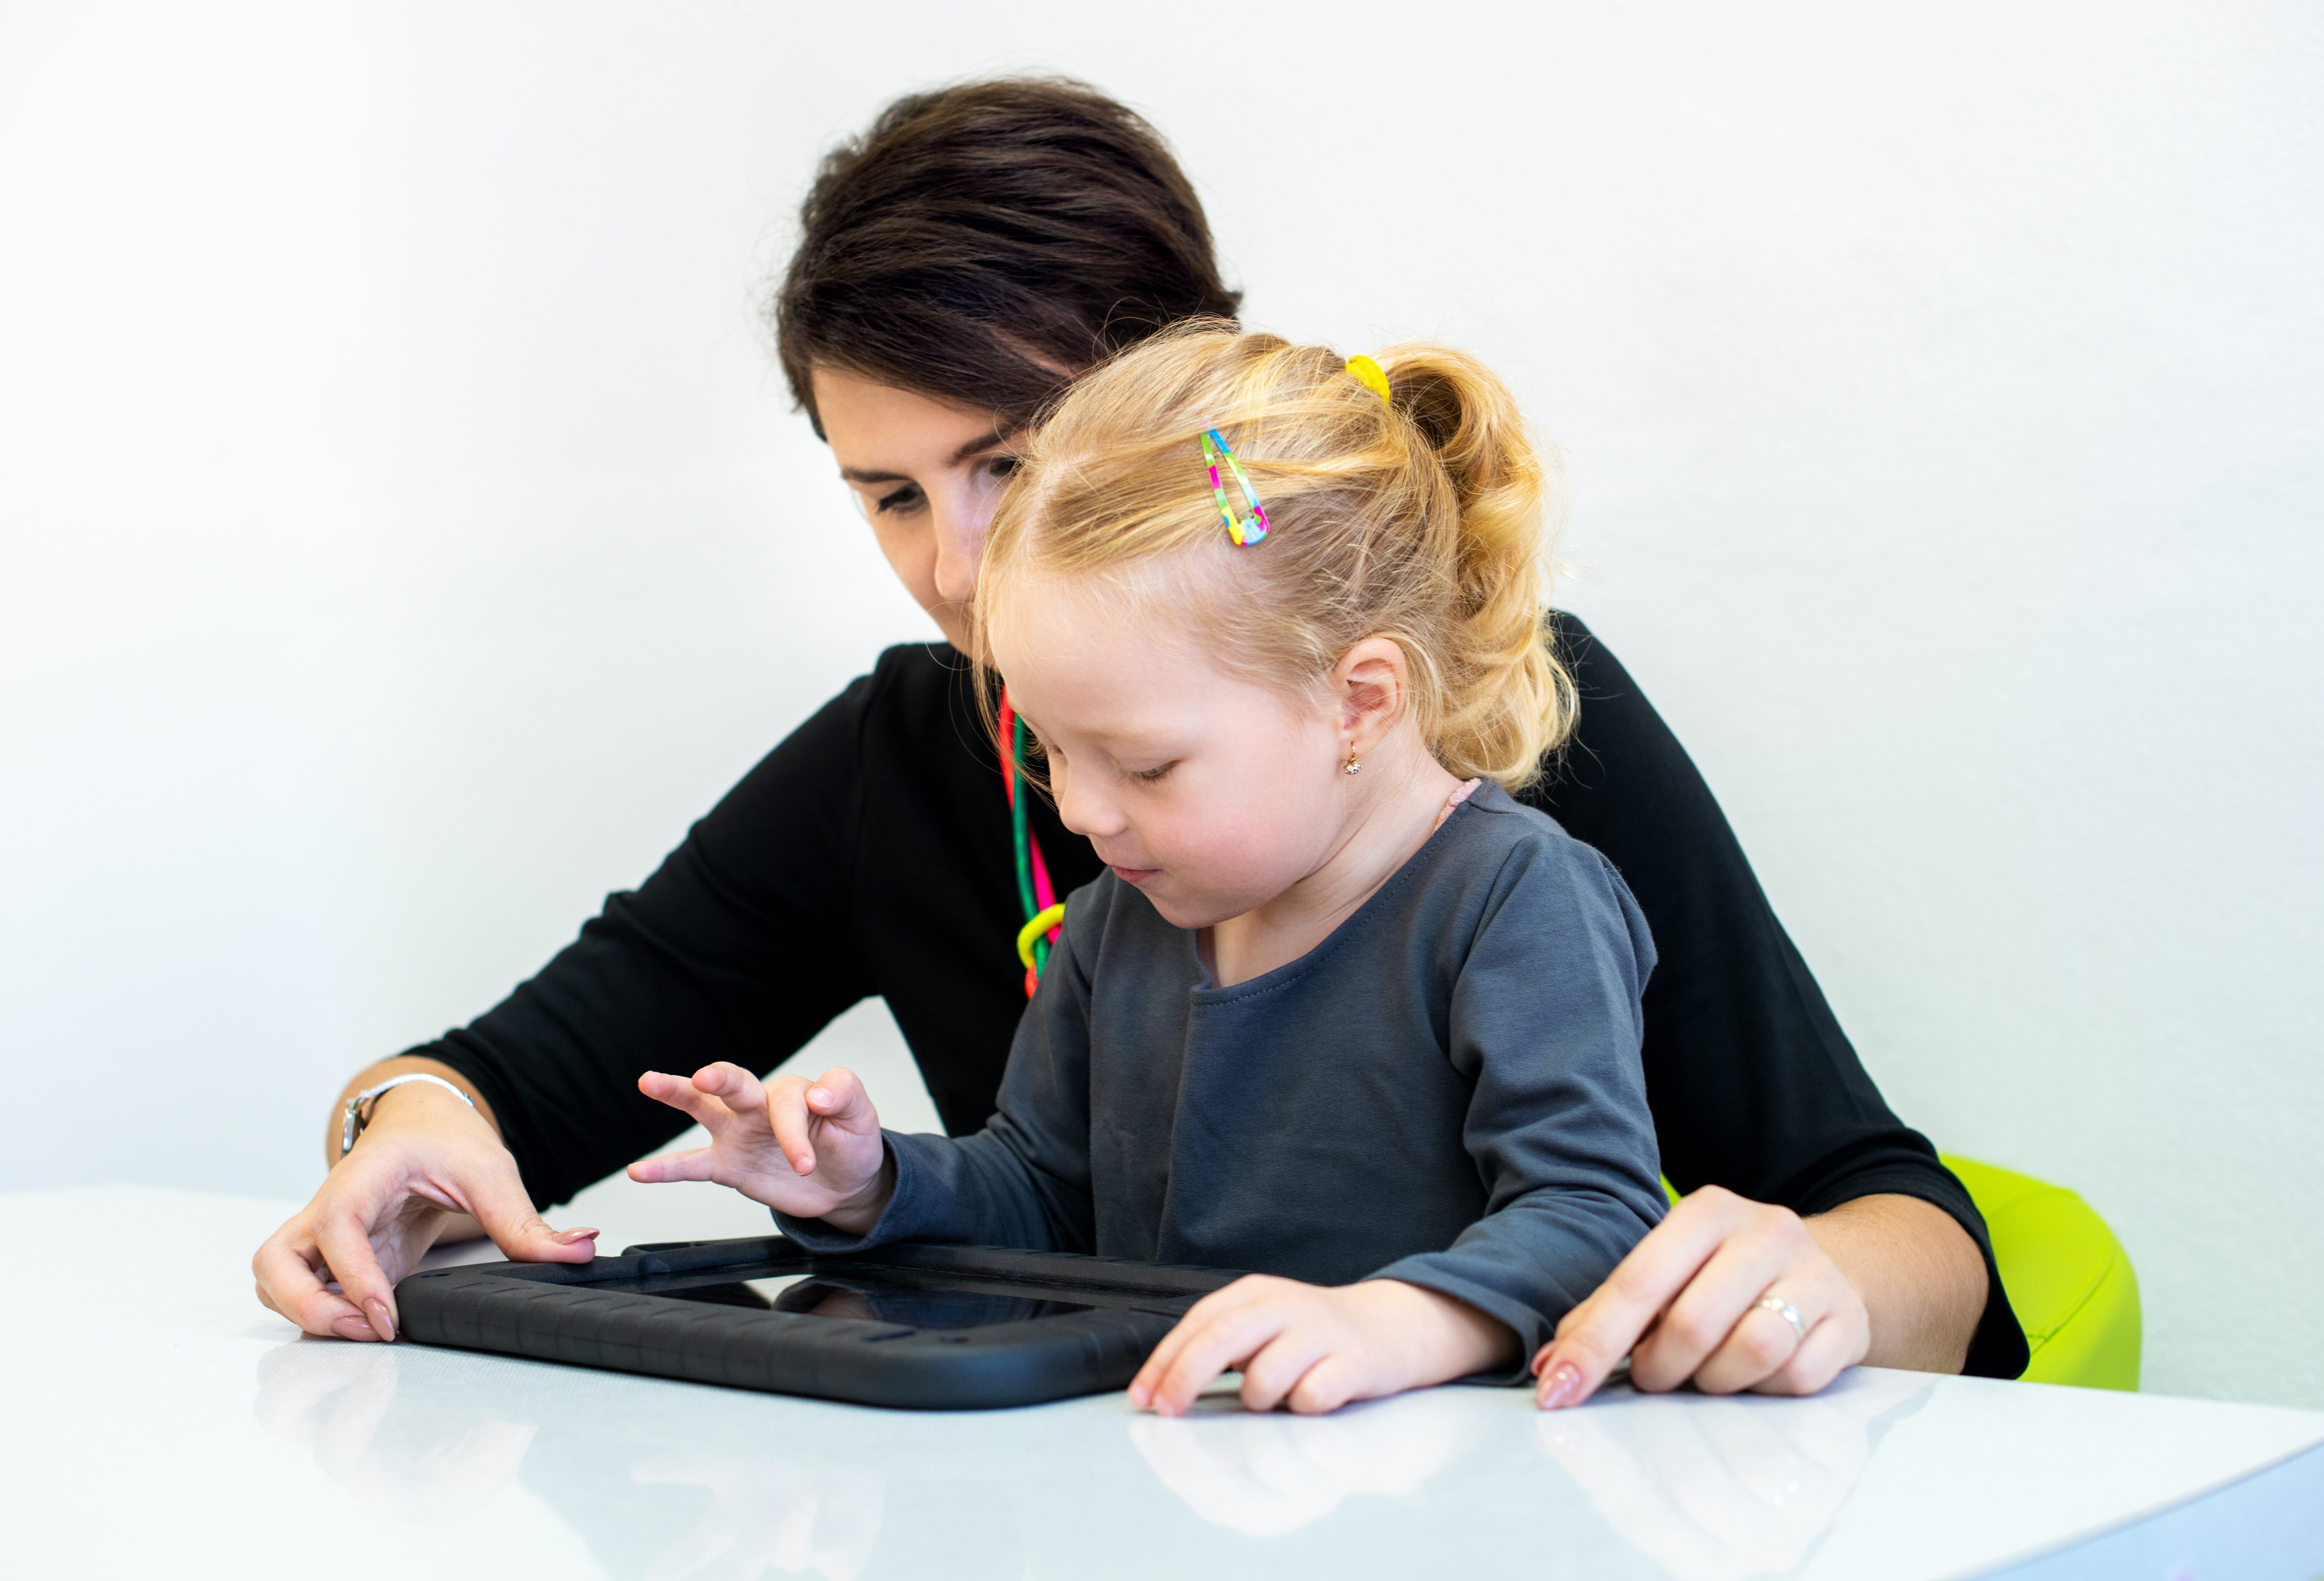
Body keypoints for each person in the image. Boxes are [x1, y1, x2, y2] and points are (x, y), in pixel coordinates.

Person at [253, 78, 2025, 1401]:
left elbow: (1893, 1219)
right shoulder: (924, 776)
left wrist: (1814, 1284)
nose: (955, 568)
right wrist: (401, 1126)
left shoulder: (1504, 741)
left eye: (1012, 466)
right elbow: (523, 1075)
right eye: (886, 491)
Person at [628, 326, 1668, 1417]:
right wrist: (865, 1184)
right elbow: (1037, 1194)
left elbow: (1595, 1213)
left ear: (1360, 701)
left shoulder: (1513, 901)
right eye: (1053, 750)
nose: (1079, 808)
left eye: (1146, 764)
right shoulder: (1118, 923)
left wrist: (1391, 1321)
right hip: (1165, 1467)